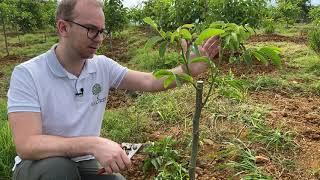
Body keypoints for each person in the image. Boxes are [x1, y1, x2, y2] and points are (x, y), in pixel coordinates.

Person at [7, 0, 219, 179]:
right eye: (91, 30)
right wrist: (92, 144)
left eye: (101, 31)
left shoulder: (102, 66)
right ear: (63, 28)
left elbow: (149, 81)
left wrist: (187, 69)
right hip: (39, 166)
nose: (99, 38)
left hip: (83, 162)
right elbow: (27, 144)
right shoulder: (28, 73)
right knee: (59, 169)